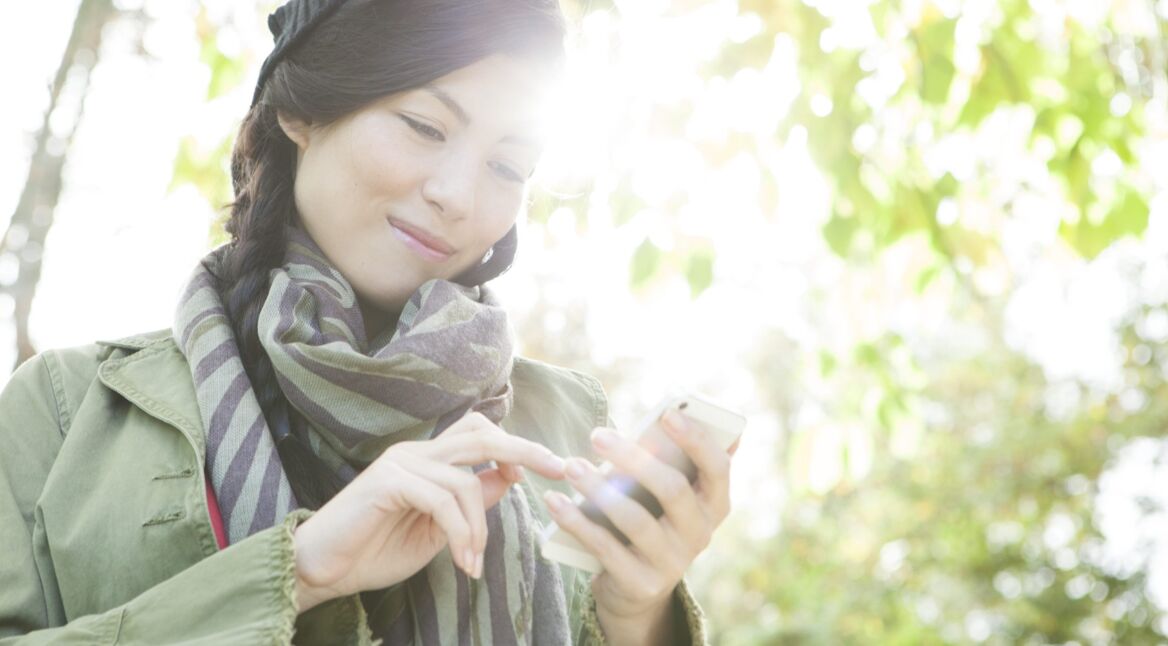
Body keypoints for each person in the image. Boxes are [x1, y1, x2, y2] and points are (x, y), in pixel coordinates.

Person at [0, 0, 735, 643]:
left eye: (508, 167)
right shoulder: (64, 411)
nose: (456, 194)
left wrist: (638, 616)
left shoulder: (564, 427)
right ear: (303, 110)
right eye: (423, 125)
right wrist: (306, 569)